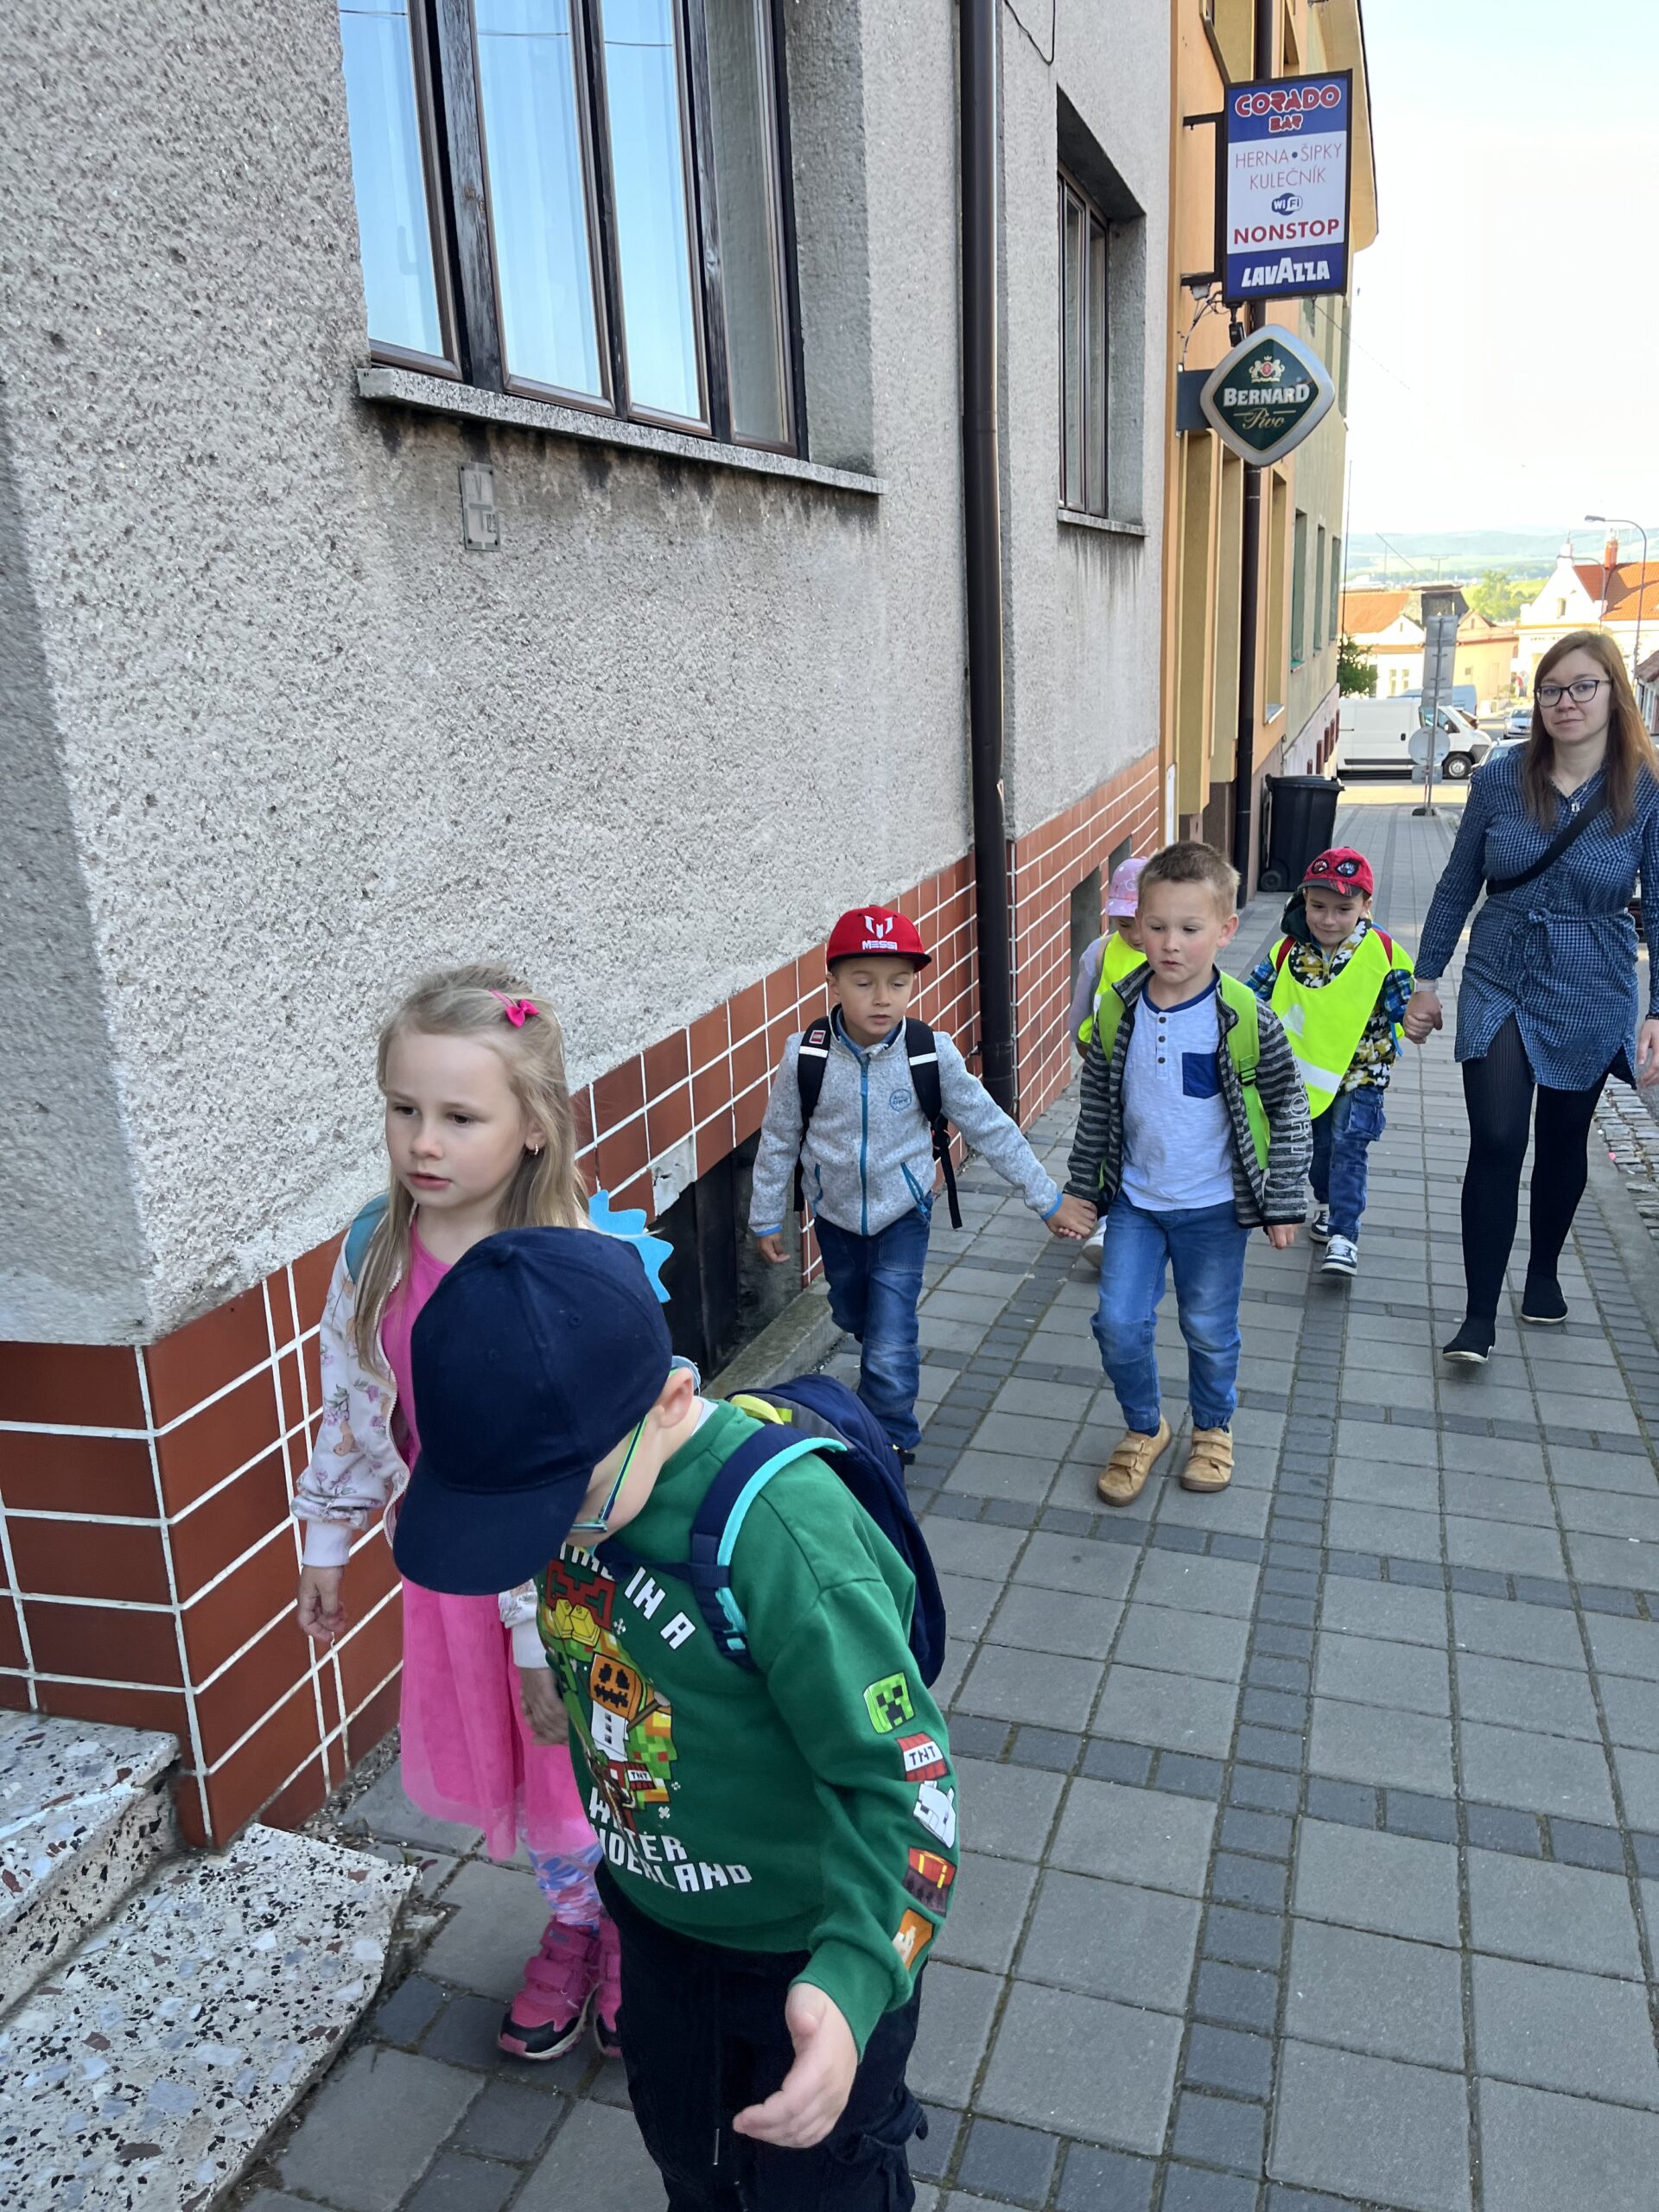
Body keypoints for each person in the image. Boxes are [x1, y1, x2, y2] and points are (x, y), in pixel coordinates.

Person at [391, 1228, 957, 2211]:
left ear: (670, 1400)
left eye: (562, 1504)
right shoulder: (586, 1486)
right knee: (691, 2162)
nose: (547, 1539)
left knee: (825, 2187)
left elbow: (908, 1785)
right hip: (654, 1926)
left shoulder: (784, 1537)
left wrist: (856, 1981)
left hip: (809, 1951)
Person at [291, 966, 619, 2063]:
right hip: (452, 1571)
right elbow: (351, 1397)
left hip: (563, 1584)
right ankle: (576, 1920)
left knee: (582, 1763)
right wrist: (327, 1531)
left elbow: (579, 1466)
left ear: (534, 1126)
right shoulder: (373, 1249)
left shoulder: (568, 1266)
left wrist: (535, 1637)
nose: (422, 1142)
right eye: (404, 1108)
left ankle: (632, 1923)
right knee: (520, 1769)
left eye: (460, 1116)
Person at [750, 906, 1095, 1455]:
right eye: (864, 982)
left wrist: (1047, 1198)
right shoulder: (806, 1056)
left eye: (898, 983)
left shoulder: (929, 1053)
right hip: (834, 1215)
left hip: (903, 1215)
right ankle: (879, 1366)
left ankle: (890, 1441)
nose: (882, 998)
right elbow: (778, 1138)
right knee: (854, 1313)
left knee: (891, 1336)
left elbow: (989, 1126)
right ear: (833, 982)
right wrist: (767, 1215)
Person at [1407, 631, 1659, 1363]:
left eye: (1582, 686)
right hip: (1502, 974)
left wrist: (1657, 1010)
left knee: (1562, 1139)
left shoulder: (1644, 787)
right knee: (1497, 1139)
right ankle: (1478, 1316)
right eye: (1551, 689)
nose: (1565, 702)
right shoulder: (1500, 779)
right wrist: (1425, 981)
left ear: (1615, 694)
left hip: (1594, 979)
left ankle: (1543, 1270)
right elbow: (1459, 882)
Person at [1063, 842, 1311, 1501]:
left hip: (1214, 1210)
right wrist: (1082, 1190)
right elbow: (1097, 1109)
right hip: (1137, 1204)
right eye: (1157, 926)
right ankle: (1145, 1426)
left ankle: (1213, 1427)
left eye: (1190, 928)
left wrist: (1283, 1199)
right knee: (1118, 1324)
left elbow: (1289, 1105)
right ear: (1135, 925)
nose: (1171, 943)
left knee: (1208, 1329)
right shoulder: (1116, 1011)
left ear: (1226, 931)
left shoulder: (1244, 1016)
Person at [1247, 848, 1416, 1281]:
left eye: (1343, 909)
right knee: (1318, 1149)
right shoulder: (1288, 950)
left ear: (1365, 906)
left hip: (1363, 1074)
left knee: (1348, 1147)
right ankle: (1325, 1204)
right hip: (1305, 1079)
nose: (1328, 919)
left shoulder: (1382, 951)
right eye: (1318, 907)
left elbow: (1404, 1005)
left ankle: (1345, 1234)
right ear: (1304, 901)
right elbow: (1249, 1000)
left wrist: (1417, 1018)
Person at [1070, 855, 1151, 1052]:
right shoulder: (1099, 952)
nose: (1135, 935)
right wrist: (1082, 1043)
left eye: (1146, 924)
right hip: (1106, 1053)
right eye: (1124, 924)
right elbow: (1080, 1010)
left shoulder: (1173, 953)